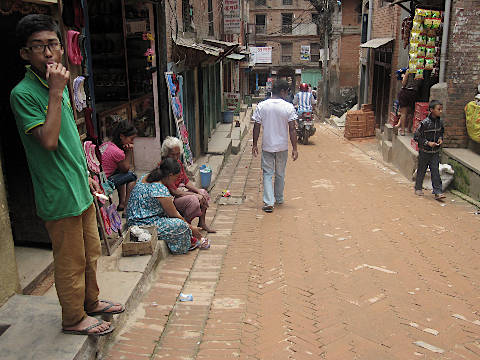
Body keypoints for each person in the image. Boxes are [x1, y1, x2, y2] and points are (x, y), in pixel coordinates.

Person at [10, 14, 123, 336]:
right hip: (58, 195)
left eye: (53, 45)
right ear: (24, 54)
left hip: (79, 187)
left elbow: (70, 141)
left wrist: (86, 174)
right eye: (38, 47)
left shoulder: (53, 85)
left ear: (62, 48)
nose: (48, 54)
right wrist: (57, 93)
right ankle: (73, 318)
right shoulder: (25, 93)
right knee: (70, 260)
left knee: (91, 252)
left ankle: (91, 302)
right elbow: (48, 140)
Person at [125, 158, 207, 253]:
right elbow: (174, 214)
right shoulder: (159, 189)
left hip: (133, 220)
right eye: (175, 178)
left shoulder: (145, 177)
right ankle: (184, 246)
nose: (174, 181)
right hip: (143, 225)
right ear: (170, 175)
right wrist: (191, 228)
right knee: (182, 226)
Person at [252, 79, 298, 213]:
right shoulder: (288, 107)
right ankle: (279, 198)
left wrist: (255, 144)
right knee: (280, 173)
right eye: (286, 92)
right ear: (283, 91)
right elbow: (292, 129)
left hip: (267, 146)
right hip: (282, 147)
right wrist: (295, 148)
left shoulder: (262, 106)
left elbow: (256, 126)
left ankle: (268, 202)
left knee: (267, 173)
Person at [161, 137, 216, 233]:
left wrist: (198, 191)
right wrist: (195, 195)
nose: (176, 157)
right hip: (171, 198)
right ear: (167, 154)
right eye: (172, 154)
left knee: (203, 193)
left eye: (177, 154)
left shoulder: (178, 163)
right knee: (193, 200)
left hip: (181, 193)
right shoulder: (164, 166)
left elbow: (186, 181)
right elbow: (174, 191)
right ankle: (187, 227)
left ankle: (202, 223)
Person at [99, 120, 137, 211]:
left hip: (100, 178)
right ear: (122, 137)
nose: (132, 142)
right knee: (132, 176)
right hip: (104, 183)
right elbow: (126, 168)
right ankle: (127, 209)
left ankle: (122, 203)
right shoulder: (117, 152)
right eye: (131, 139)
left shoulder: (107, 144)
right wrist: (129, 152)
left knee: (120, 172)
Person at [413, 100, 446, 200]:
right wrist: (428, 143)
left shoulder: (440, 122)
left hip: (435, 152)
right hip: (424, 151)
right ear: (431, 110)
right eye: (438, 109)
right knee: (422, 170)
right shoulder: (424, 123)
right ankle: (418, 187)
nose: (441, 111)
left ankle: (438, 192)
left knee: (435, 171)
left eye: (441, 109)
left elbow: (441, 133)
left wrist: (440, 139)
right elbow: (416, 137)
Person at [396, 71, 421, 136]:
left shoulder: (408, 71)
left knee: (404, 113)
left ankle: (403, 130)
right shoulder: (420, 72)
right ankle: (409, 128)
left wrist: (404, 77)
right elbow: (419, 84)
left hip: (405, 92)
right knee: (411, 113)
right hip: (414, 93)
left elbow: (404, 84)